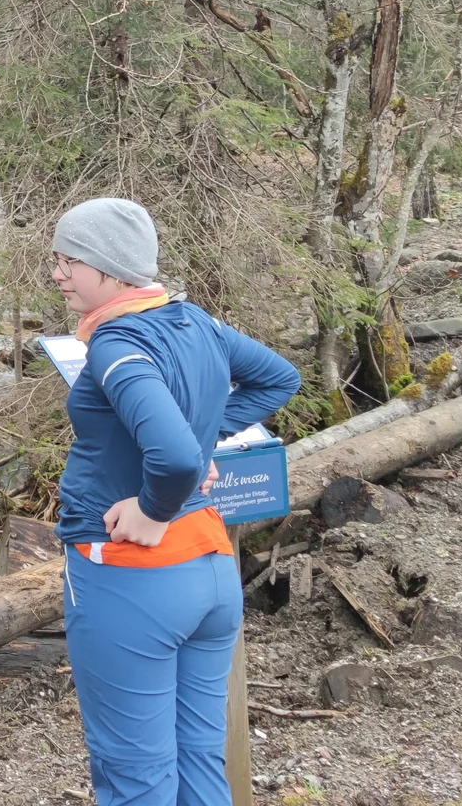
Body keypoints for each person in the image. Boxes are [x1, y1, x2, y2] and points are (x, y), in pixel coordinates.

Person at [50, 197, 301, 806]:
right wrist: (205, 432)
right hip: (211, 575)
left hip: (134, 580)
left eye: (67, 262)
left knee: (135, 779)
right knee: (197, 763)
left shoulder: (114, 344)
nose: (56, 274)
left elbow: (177, 460)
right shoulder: (195, 321)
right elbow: (277, 377)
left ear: (108, 269)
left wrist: (152, 507)